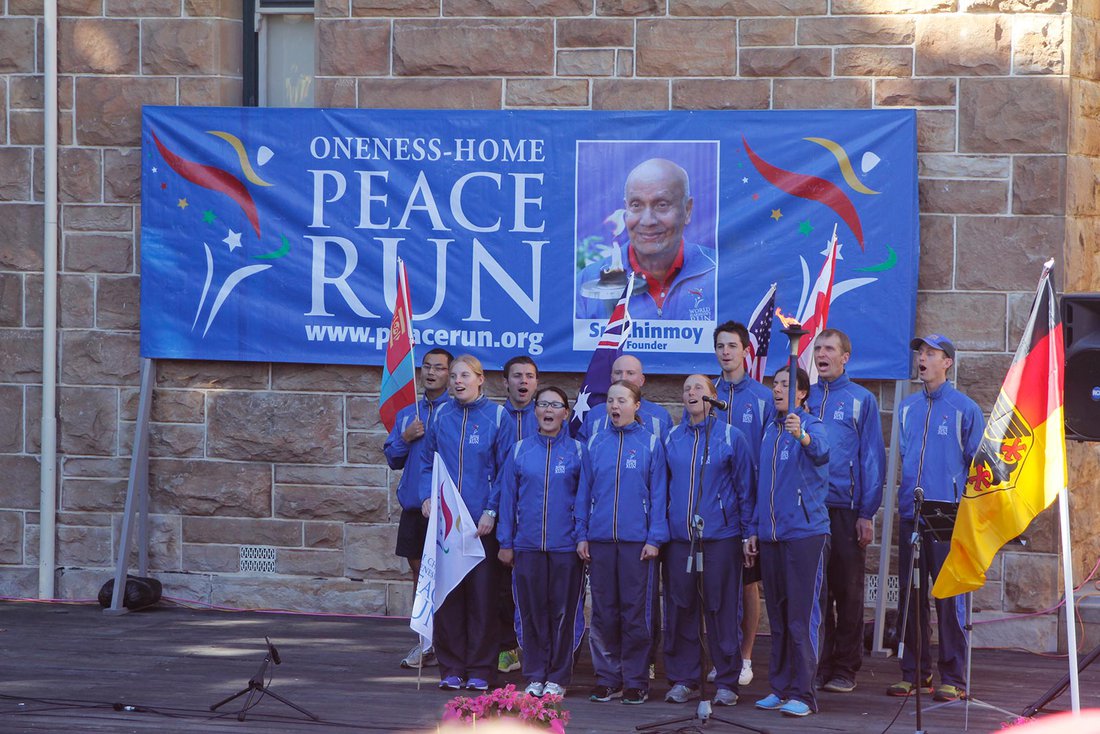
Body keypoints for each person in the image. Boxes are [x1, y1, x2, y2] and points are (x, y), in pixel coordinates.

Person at [888, 334, 984, 703]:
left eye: (931, 353)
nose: (922, 359)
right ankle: (914, 673)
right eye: (920, 353)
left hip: (947, 515)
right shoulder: (907, 408)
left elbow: (978, 466)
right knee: (911, 596)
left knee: (948, 595)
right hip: (912, 513)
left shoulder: (965, 409)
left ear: (947, 362)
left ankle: (953, 677)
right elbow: (905, 454)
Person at [418, 354, 517, 691]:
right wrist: (427, 496)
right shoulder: (441, 415)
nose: (457, 381)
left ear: (480, 379)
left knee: (482, 599)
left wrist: (491, 511)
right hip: (447, 525)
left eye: (464, 375)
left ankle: (480, 670)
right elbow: (427, 463)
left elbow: (506, 471)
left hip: (479, 527)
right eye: (454, 376)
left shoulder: (498, 417)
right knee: (448, 598)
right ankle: (451, 668)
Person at [576, 380, 670, 705]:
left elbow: (659, 495)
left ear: (636, 405)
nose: (614, 406)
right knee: (603, 612)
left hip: (637, 544)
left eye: (622, 401)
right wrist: (582, 534)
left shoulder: (651, 444)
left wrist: (655, 538)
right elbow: (584, 492)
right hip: (601, 540)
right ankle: (607, 678)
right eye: (611, 401)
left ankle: (635, 679)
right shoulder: (595, 443)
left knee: (635, 613)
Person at [662, 375, 753, 707]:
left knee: (721, 609)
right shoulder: (671, 437)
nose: (691, 393)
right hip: (679, 541)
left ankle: (727, 680)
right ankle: (684, 679)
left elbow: (745, 488)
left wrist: (748, 533)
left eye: (698, 388)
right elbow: (661, 488)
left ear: (713, 397)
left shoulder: (731, 436)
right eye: (686, 388)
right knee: (680, 608)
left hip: (720, 539)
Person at [747, 365, 830, 718]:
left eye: (786, 384)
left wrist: (803, 437)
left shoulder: (812, 425)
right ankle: (780, 687)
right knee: (778, 616)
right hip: (771, 535)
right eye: (775, 384)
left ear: (802, 393)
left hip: (804, 534)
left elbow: (822, 452)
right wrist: (754, 528)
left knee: (801, 615)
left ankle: (804, 693)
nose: (778, 390)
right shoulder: (770, 430)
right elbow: (762, 485)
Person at [808, 329, 886, 694]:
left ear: (845, 357)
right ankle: (818, 665)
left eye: (829, 349)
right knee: (816, 593)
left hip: (846, 509)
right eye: (818, 348)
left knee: (848, 592)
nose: (822, 354)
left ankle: (845, 667)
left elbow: (872, 458)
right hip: (810, 510)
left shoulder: (861, 399)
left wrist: (866, 513)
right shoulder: (804, 398)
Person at [498, 386, 585, 699]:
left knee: (563, 615)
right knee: (531, 613)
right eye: (543, 404)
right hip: (527, 546)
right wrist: (506, 541)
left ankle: (558, 677)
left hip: (566, 549)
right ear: (535, 410)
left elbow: (584, 499)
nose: (549, 410)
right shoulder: (519, 450)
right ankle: (535, 675)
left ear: (566, 413)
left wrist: (581, 537)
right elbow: (507, 499)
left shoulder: (578, 452)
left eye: (556, 405)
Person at [711, 320, 776, 688]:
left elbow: (769, 453)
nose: (726, 352)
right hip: (714, 505)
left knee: (749, 581)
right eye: (720, 346)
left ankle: (745, 657)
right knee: (717, 585)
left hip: (750, 503)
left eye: (732, 346)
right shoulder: (706, 393)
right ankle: (721, 656)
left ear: (745, 351)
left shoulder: (763, 398)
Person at [576, 158, 715, 321]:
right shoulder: (588, 281)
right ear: (626, 209)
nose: (648, 221)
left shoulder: (717, 271)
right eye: (636, 205)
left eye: (662, 205)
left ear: (687, 210)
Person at [383, 347, 453, 670]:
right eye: (427, 366)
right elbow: (393, 458)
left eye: (439, 367)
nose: (431, 372)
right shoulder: (408, 412)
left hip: (445, 508)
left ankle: (451, 642)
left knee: (449, 575)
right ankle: (425, 642)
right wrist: (405, 437)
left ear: (450, 374)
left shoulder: (456, 411)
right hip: (414, 507)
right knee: (419, 572)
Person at [497, 355, 540, 675]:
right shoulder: (496, 418)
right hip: (500, 512)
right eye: (517, 376)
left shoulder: (548, 415)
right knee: (501, 587)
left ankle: (537, 650)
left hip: (536, 516)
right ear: (505, 382)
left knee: (534, 588)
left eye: (529, 376)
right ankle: (506, 648)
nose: (523, 381)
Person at [578, 354, 672, 442]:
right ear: (611, 378)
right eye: (618, 372)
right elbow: (581, 451)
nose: (623, 378)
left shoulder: (659, 416)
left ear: (642, 380)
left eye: (630, 373)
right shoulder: (595, 415)